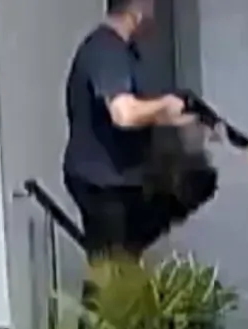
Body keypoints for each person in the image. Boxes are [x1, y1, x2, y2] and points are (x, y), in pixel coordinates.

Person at [62, 0, 196, 259]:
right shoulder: (106, 49)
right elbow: (123, 114)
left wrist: (176, 118)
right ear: (138, 7)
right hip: (102, 183)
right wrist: (165, 105)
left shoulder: (126, 51)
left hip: (121, 180)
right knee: (113, 270)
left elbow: (137, 112)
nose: (155, 11)